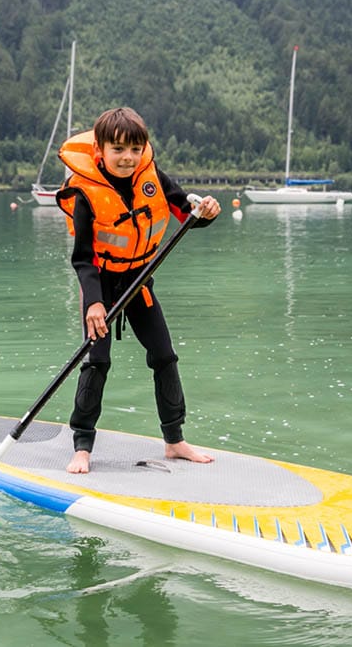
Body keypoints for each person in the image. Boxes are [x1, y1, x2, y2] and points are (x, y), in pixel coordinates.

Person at [55, 107, 221, 474]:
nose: (128, 158)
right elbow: (83, 259)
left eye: (134, 149)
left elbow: (185, 212)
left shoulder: (151, 175)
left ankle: (174, 441)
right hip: (101, 285)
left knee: (164, 355)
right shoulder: (85, 192)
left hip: (138, 284)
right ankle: (82, 445)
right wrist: (94, 304)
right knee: (97, 361)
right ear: (100, 150)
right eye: (118, 150)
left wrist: (206, 212)